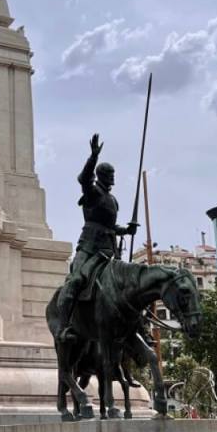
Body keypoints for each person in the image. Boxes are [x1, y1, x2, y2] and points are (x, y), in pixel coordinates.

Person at [55, 133, 138, 343]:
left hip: (109, 250)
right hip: (89, 247)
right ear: (101, 176)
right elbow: (84, 179)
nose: (113, 177)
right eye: (109, 174)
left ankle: (134, 328)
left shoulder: (112, 199)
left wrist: (126, 230)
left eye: (113, 173)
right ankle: (64, 327)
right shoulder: (93, 193)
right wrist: (93, 157)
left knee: (126, 286)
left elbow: (110, 227)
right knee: (75, 280)